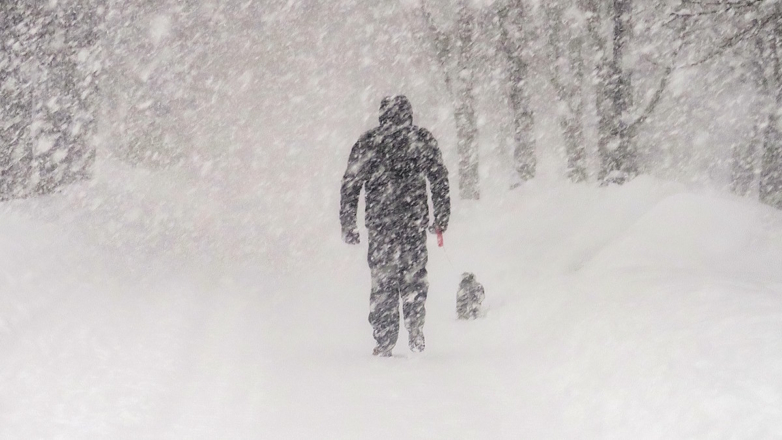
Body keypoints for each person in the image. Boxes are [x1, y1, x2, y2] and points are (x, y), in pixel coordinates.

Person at [340, 95, 450, 357]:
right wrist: (441, 216)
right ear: (409, 115)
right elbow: (438, 178)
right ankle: (415, 327)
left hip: (381, 226)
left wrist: (349, 224)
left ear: (382, 116)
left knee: (384, 283)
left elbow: (351, 185)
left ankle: (385, 340)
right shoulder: (421, 140)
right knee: (413, 277)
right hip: (413, 223)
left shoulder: (369, 142)